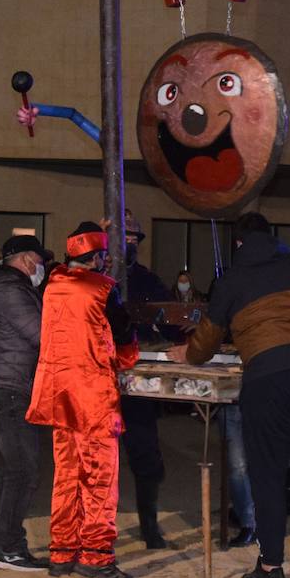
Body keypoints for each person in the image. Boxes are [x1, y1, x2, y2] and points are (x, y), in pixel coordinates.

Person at [170, 211, 290, 578]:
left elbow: (206, 341)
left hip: (269, 379)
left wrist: (185, 353)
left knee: (267, 473)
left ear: (238, 244)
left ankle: (272, 566)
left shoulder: (233, 279)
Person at [28, 223, 138, 578]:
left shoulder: (52, 286)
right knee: (100, 478)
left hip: (59, 394)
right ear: (97, 257)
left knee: (66, 474)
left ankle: (61, 551)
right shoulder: (104, 290)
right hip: (93, 394)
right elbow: (123, 335)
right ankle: (96, 554)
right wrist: (125, 356)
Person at [0, 235, 52, 571]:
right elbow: (43, 336)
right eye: (39, 259)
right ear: (24, 259)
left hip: (6, 388)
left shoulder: (11, 289)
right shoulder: (12, 292)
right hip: (10, 391)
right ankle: (10, 548)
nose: (42, 267)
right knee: (24, 471)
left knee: (13, 469)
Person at [115, 210, 173, 550]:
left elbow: (170, 320)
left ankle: (149, 524)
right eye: (125, 235)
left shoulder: (148, 280)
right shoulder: (92, 278)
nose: (130, 241)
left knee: (146, 457)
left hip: (137, 380)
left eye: (134, 236)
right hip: (98, 378)